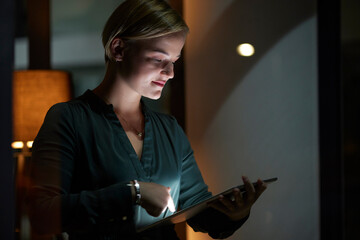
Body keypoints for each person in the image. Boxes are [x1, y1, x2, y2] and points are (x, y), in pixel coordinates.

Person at [27, 0, 267, 239]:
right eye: (158, 59)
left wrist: (236, 213)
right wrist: (132, 193)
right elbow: (42, 215)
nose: (170, 73)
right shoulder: (69, 119)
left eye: (173, 61)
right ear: (118, 49)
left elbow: (198, 209)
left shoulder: (169, 129)